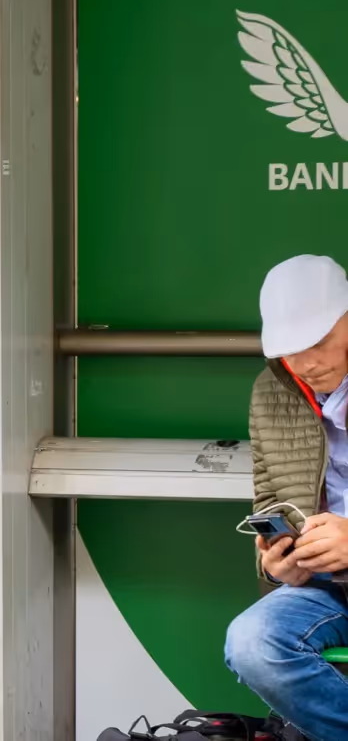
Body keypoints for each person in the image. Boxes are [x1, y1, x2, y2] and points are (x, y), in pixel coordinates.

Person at [226, 254, 348, 741]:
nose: (307, 362)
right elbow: (270, 500)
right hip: (326, 587)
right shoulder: (272, 390)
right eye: (290, 349)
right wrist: (277, 564)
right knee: (252, 643)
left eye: (318, 342)